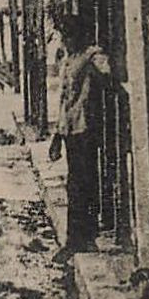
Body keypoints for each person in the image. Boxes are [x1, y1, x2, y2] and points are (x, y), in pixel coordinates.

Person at [47, 16, 111, 262]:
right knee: (75, 183)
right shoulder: (68, 59)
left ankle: (80, 239)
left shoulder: (91, 55)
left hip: (86, 127)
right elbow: (64, 100)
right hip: (71, 128)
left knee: (82, 183)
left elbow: (107, 75)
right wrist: (57, 135)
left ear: (78, 36)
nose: (65, 39)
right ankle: (80, 237)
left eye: (68, 35)